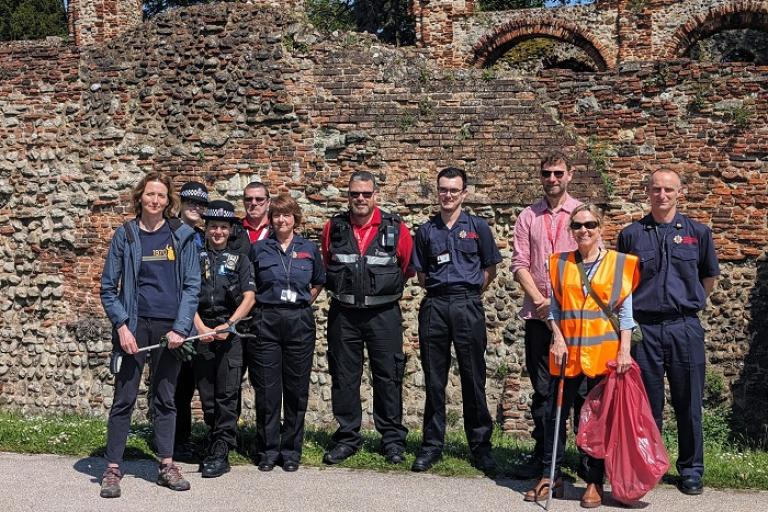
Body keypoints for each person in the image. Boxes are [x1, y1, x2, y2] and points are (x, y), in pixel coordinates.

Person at [525, 203, 639, 508]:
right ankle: (552, 474)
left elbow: (625, 313)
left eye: (590, 225)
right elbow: (555, 307)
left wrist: (625, 350)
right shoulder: (559, 263)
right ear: (570, 231)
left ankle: (593, 481)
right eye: (577, 226)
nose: (584, 230)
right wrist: (557, 337)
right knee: (555, 414)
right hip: (567, 353)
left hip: (603, 354)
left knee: (596, 419)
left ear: (601, 228)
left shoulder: (619, 263)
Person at [617, 169, 719, 496]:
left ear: (680, 192)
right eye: (656, 189)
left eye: (669, 189)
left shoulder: (698, 233)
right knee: (646, 404)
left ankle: (691, 470)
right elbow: (623, 286)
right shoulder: (631, 234)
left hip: (684, 327)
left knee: (688, 402)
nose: (662, 195)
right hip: (644, 329)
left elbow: (709, 277)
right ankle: (650, 466)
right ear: (647, 191)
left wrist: (691, 304)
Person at [99, 172, 201, 498]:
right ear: (140, 197)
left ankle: (167, 465)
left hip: (169, 328)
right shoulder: (125, 235)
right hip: (134, 326)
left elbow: (191, 286)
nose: (155, 201)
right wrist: (121, 326)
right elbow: (107, 288)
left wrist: (181, 328)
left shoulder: (181, 235)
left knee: (165, 398)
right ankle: (113, 468)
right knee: (124, 398)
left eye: (161, 196)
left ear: (168, 201)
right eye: (150, 195)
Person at [411, 167, 503, 473]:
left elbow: (490, 269)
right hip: (435, 305)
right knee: (434, 380)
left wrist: (470, 290)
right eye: (443, 190)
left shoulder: (478, 227)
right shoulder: (426, 231)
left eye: (454, 190)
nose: (448, 195)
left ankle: (480, 448)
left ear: (464, 193)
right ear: (436, 192)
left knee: (473, 378)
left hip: (467, 305)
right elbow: (422, 275)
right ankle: (432, 446)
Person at [320, 171, 414, 466]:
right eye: (354, 194)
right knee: (344, 377)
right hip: (344, 313)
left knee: (388, 376)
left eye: (366, 193)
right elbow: (327, 262)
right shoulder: (333, 227)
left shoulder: (395, 227)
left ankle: (392, 441)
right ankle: (347, 438)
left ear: (376, 195)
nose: (360, 199)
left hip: (383, 314)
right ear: (347, 196)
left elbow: (407, 266)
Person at [510, 151, 582, 475]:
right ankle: (544, 460)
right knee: (542, 392)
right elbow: (519, 264)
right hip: (538, 317)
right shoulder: (528, 216)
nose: (552, 179)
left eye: (558, 173)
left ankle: (586, 460)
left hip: (577, 319)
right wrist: (541, 300)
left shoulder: (580, 213)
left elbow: (592, 258)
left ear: (570, 174)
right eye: (546, 173)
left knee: (580, 392)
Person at [249, 194, 325, 472]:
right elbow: (251, 286)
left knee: (296, 390)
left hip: (299, 322)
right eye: (277, 215)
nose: (282, 220)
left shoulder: (309, 249)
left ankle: (291, 450)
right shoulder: (259, 249)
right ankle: (268, 450)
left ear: (295, 218)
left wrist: (302, 302)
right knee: (268, 390)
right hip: (266, 320)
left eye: (287, 215)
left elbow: (317, 282)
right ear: (271, 219)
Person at [194, 200, 256, 478]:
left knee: (227, 393)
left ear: (230, 231)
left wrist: (229, 325)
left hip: (229, 334)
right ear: (206, 230)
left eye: (222, 227)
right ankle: (214, 436)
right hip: (202, 333)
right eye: (213, 227)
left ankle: (222, 448)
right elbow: (186, 296)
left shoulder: (241, 259)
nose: (218, 232)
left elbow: (249, 297)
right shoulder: (194, 258)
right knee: (207, 396)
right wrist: (199, 327)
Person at [173, 181, 209, 461]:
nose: (196, 208)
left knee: (204, 385)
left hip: (200, 320)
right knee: (178, 388)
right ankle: (177, 443)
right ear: (180, 203)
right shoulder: (168, 232)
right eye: (191, 202)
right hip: (178, 320)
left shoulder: (202, 236)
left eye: (201, 204)